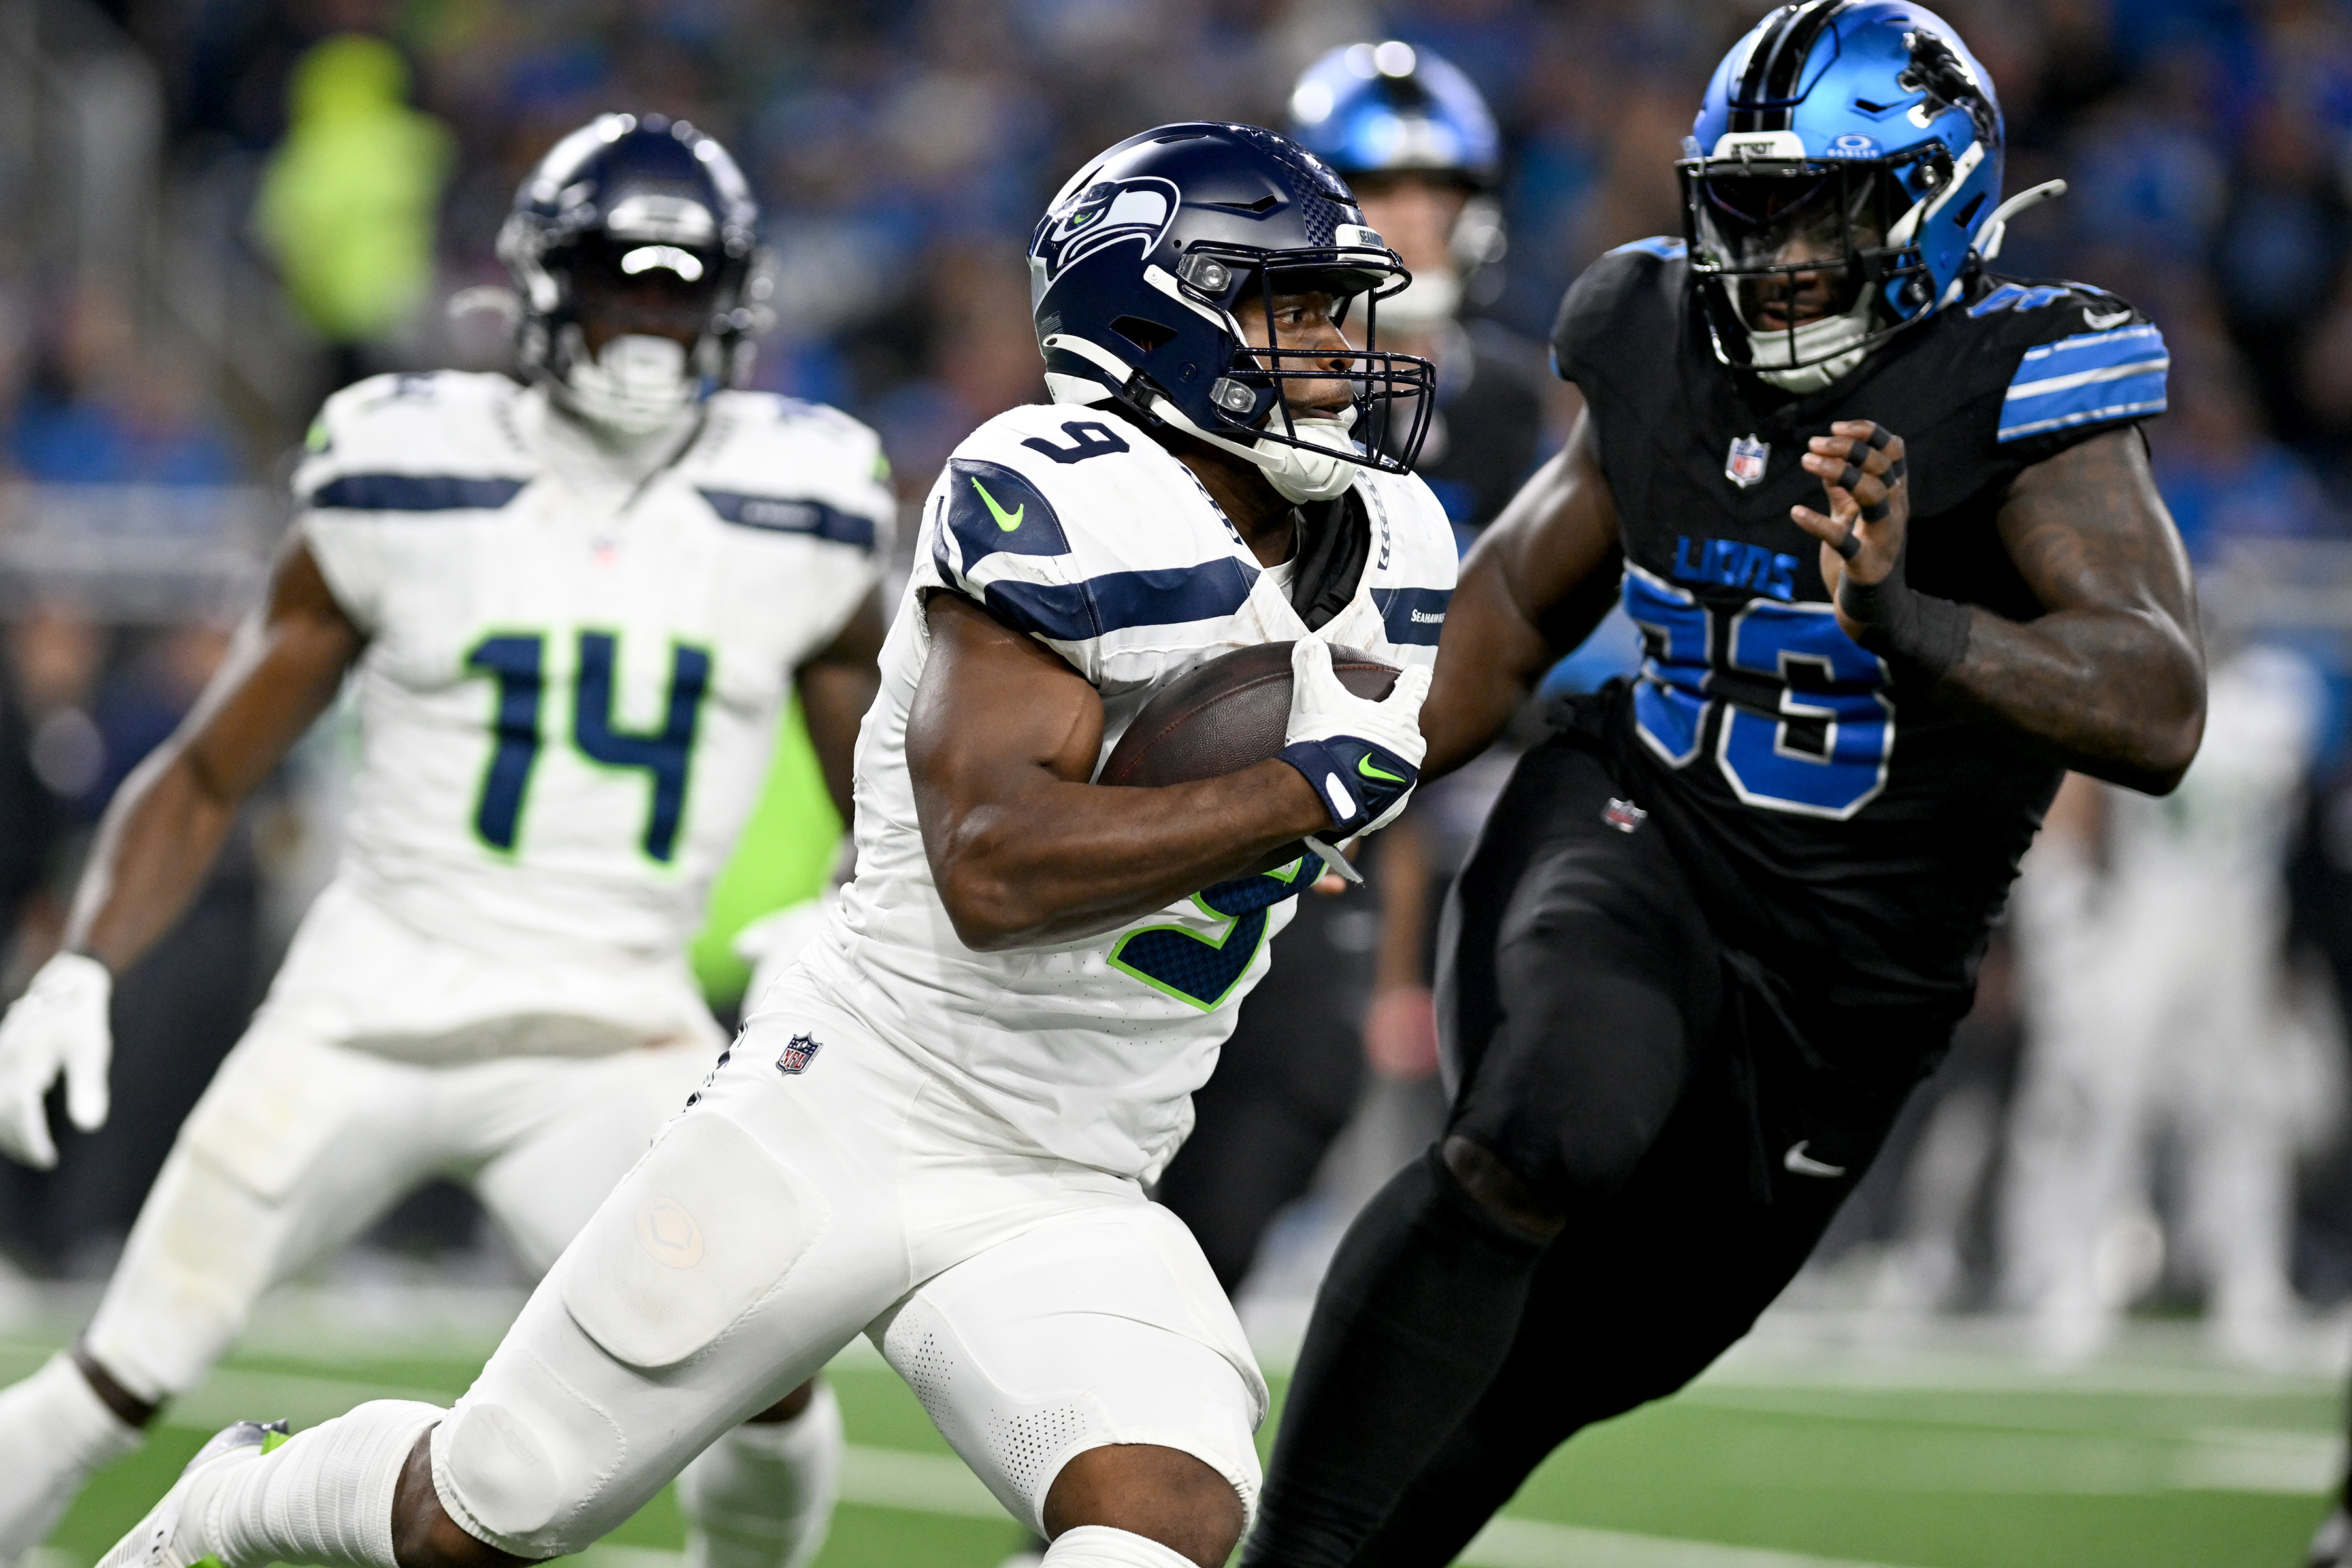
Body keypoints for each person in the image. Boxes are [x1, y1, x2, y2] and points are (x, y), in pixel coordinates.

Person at [95, 121, 1452, 1568]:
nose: (1333, 348)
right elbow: (994, 867)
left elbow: (1415, 722)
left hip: (1076, 1170)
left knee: (1168, 1522)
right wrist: (1296, 796)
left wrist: (1323, 797)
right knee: (492, 1508)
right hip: (851, 1109)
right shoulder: (1059, 488)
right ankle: (239, 1503)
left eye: (1333, 308)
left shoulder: (1404, 537)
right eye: (1289, 308)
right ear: (1155, 311)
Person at [1240, 6, 2206, 1566]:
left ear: (1937, 199)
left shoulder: (2020, 383)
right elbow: (1510, 602)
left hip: (1854, 980)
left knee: (1587, 1356)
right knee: (1546, 1130)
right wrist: (1328, 797)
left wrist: (1914, 620)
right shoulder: (1655, 331)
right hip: (1641, 830)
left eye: (1819, 209)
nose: (1771, 253)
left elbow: (2158, 707)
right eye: (1747, 205)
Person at [0, 114, 893, 1568]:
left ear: (733, 300)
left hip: (614, 1030)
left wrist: (861, 916)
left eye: (681, 289)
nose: (650, 323)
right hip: (365, 1010)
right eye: (621, 282)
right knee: (121, 1372)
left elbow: (895, 791)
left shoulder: (808, 500)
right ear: (546, 289)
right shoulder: (406, 462)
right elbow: (212, 763)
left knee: (768, 1376)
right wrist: (84, 964)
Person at [1154, 39, 1549, 1301]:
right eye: (1384, 195)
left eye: (1440, 195)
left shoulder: (1492, 391)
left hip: (1372, 784)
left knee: (1294, 1105)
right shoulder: (1219, 359)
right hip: (1202, 756)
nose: (1418, 223)